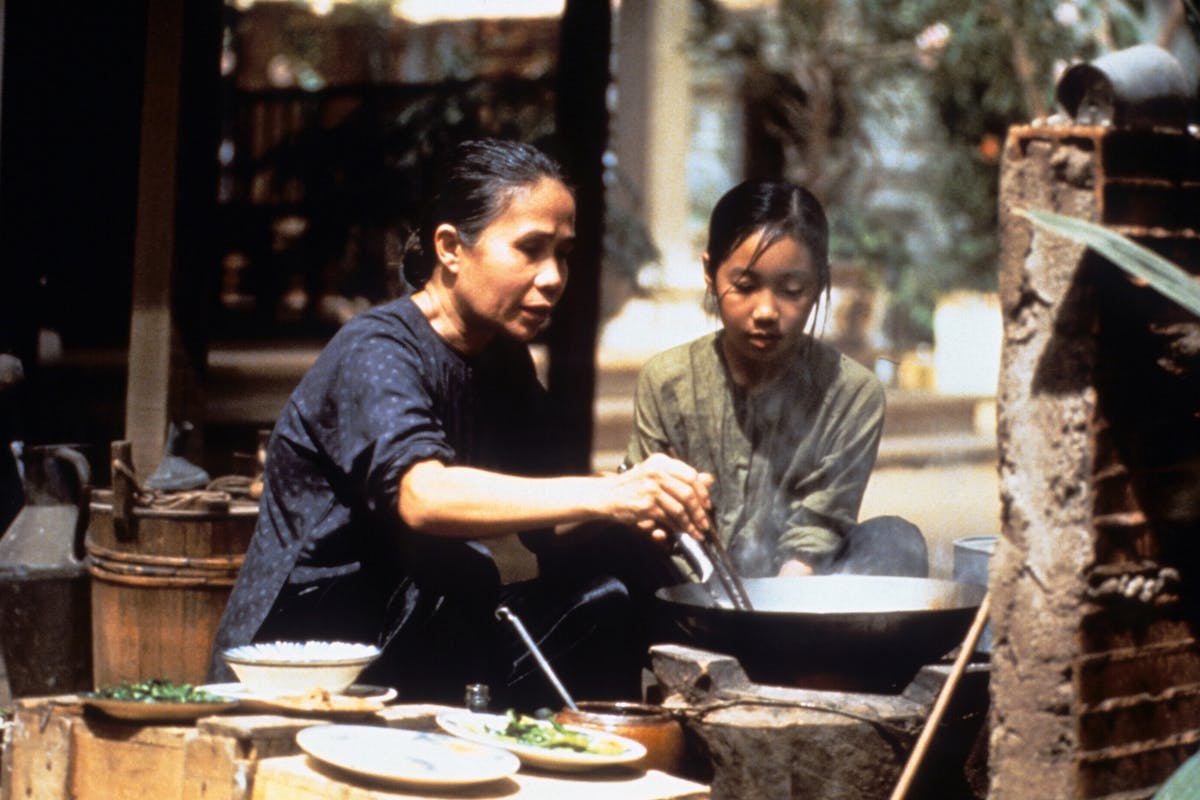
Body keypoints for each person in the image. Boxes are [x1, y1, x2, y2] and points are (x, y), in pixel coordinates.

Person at [209, 138, 713, 707]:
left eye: (564, 254)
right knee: (468, 574)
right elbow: (424, 496)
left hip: (413, 632)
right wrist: (611, 495)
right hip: (310, 650)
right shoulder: (378, 348)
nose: (553, 277)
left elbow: (551, 518)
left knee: (611, 583)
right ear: (451, 248)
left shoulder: (503, 363)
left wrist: (643, 496)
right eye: (530, 249)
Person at [624, 178, 927, 579]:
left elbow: (817, 529)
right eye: (745, 286)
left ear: (820, 283)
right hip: (686, 590)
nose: (766, 310)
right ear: (710, 273)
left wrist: (775, 623)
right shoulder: (666, 381)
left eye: (792, 289)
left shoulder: (852, 394)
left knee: (894, 540)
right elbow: (645, 507)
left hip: (800, 599)